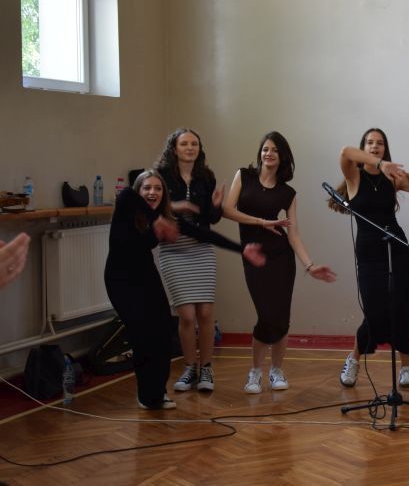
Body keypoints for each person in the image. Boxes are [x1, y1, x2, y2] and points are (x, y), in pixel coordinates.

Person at [104, 169, 264, 409]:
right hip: (120, 280)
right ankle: (146, 395)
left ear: (164, 195)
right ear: (139, 191)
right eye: (147, 188)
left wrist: (242, 249)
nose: (152, 192)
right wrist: (155, 219)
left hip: (146, 275)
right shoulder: (127, 209)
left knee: (162, 333)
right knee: (142, 336)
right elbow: (126, 194)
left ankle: (157, 393)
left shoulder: (167, 219)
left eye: (158, 188)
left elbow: (204, 234)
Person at [330, 128, 409, 388]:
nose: (375, 146)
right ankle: (353, 359)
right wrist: (380, 164)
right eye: (370, 143)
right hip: (368, 253)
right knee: (374, 311)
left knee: (400, 307)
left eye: (380, 143)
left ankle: (406, 368)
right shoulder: (353, 176)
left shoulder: (394, 178)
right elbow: (345, 152)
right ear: (364, 148)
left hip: (396, 248)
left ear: (386, 148)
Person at [223, 131, 336, 394]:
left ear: (283, 156)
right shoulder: (244, 176)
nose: (269, 153)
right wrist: (262, 222)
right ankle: (255, 372)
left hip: (281, 258)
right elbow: (227, 210)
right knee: (266, 315)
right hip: (254, 257)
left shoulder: (288, 193)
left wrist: (310, 266)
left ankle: (276, 370)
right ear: (260, 153)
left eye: (274, 150)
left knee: (281, 317)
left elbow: (293, 235)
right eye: (265, 149)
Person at [156, 128, 225, 393]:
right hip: (173, 251)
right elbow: (150, 205)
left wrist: (215, 205)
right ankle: (189, 368)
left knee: (205, 313)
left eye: (194, 144)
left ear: (199, 148)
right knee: (186, 316)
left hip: (201, 250)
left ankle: (206, 367)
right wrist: (177, 207)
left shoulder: (206, 177)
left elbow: (211, 218)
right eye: (184, 143)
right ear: (174, 148)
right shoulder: (161, 176)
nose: (189, 148)